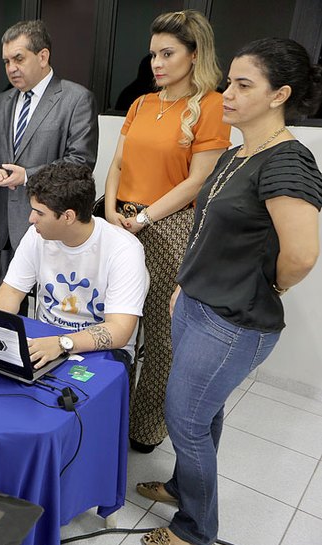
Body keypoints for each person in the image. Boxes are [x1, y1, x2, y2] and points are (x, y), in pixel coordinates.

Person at [138, 38, 322, 545]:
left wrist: (271, 285)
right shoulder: (239, 153)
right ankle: (182, 487)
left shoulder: (288, 160)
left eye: (244, 85)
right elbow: (207, 233)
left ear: (279, 94)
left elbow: (302, 254)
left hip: (234, 321)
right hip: (198, 304)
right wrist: (185, 285)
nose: (228, 94)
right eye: (229, 82)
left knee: (185, 418)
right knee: (203, 411)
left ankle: (196, 531)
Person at [102, 10, 231, 453]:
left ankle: (144, 427)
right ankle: (106, 412)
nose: (156, 62)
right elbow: (117, 164)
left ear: (194, 55)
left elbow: (197, 181)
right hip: (121, 221)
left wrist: (142, 218)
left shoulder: (213, 106)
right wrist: (113, 209)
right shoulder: (141, 103)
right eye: (153, 53)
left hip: (169, 227)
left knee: (159, 335)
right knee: (113, 321)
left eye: (168, 53)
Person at [0, 20, 98, 299]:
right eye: (6, 61)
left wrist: (27, 176)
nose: (11, 68)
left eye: (19, 58)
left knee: (52, 306)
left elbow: (81, 162)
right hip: (5, 223)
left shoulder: (76, 99)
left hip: (52, 223)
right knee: (7, 305)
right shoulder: (0, 102)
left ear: (43, 56)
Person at [0, 163, 148, 367]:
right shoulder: (37, 236)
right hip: (44, 335)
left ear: (68, 217)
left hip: (102, 351)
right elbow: (11, 292)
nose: (31, 219)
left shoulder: (124, 250)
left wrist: (62, 343)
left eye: (39, 213)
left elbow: (119, 330)